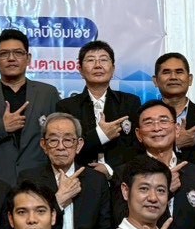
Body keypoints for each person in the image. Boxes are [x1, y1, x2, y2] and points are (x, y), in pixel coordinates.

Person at [0, 28, 61, 185]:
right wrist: (1, 128)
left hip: (39, 179)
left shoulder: (48, 93)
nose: (11, 58)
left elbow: (59, 136)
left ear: (28, 58)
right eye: (4, 54)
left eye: (18, 53)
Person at [20, 112, 115, 229]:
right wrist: (58, 200)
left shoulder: (95, 180)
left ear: (79, 145)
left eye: (68, 140)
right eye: (53, 140)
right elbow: (27, 226)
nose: (61, 147)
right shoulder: (29, 180)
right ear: (44, 145)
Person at [130, 100, 195, 229]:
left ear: (177, 129)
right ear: (139, 134)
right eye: (148, 123)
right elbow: (123, 221)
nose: (157, 128)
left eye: (163, 121)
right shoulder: (126, 173)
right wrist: (165, 190)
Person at [59, 40, 141, 174]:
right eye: (90, 60)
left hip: (121, 178)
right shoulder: (66, 107)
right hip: (81, 179)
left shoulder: (130, 102)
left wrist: (110, 170)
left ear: (113, 68)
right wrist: (101, 135)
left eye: (103, 60)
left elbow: (137, 146)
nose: (97, 65)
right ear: (80, 69)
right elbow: (65, 149)